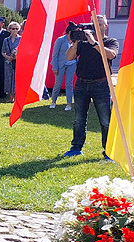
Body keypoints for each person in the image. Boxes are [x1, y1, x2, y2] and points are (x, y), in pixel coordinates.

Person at [64, 16, 119, 160]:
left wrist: (94, 42)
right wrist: (75, 43)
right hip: (82, 84)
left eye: (100, 24)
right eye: (94, 24)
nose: (97, 26)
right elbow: (69, 57)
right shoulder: (82, 43)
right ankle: (76, 148)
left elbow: (111, 55)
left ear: (105, 26)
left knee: (105, 120)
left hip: (101, 84)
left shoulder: (110, 41)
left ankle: (108, 151)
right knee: (79, 119)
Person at [50, 29, 76, 110]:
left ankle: (69, 104)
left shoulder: (75, 41)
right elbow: (55, 54)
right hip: (60, 64)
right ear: (68, 32)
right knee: (58, 84)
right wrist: (55, 67)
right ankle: (53, 101)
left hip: (71, 64)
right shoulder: (60, 40)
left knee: (69, 84)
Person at [2, 21, 21, 100]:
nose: (15, 30)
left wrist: (16, 56)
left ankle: (17, 96)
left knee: (17, 78)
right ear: (9, 29)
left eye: (17, 29)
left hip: (18, 62)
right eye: (13, 28)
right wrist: (8, 57)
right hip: (8, 62)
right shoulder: (6, 40)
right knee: (9, 77)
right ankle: (10, 96)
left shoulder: (21, 39)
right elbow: (2, 52)